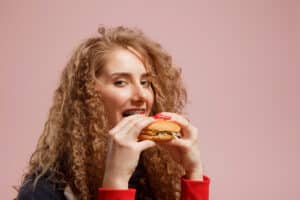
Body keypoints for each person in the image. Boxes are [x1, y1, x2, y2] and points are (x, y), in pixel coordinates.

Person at [17, 26, 210, 200]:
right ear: (87, 95)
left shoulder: (152, 178)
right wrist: (116, 181)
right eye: (121, 82)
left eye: (145, 82)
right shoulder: (43, 191)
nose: (141, 95)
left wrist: (194, 175)